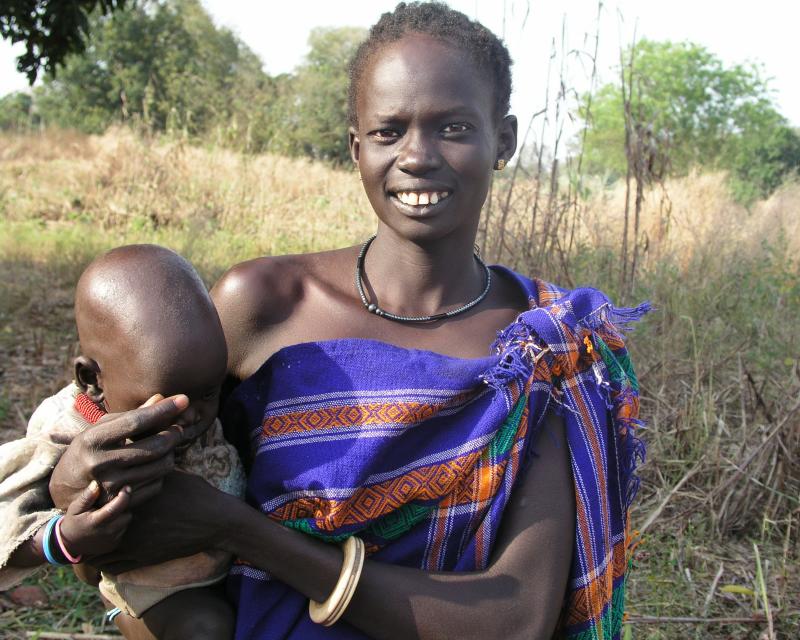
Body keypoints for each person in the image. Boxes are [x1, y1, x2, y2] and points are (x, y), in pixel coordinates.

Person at [43, 3, 648, 639]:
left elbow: (515, 617)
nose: (417, 156)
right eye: (389, 132)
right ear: (356, 148)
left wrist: (239, 529)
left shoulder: (544, 344)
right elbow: (132, 541)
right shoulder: (266, 304)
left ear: (505, 140)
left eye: (455, 127)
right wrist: (79, 490)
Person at [0, 245, 246, 639]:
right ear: (93, 382)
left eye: (208, 393)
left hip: (238, 563)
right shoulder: (71, 427)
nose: (194, 415)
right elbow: (10, 510)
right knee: (206, 629)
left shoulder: (202, 396)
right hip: (158, 590)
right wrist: (65, 539)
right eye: (168, 401)